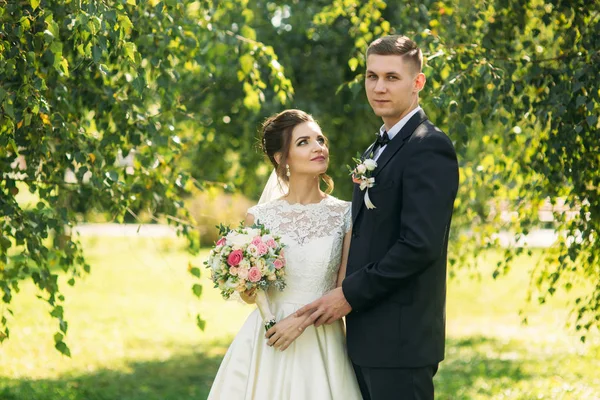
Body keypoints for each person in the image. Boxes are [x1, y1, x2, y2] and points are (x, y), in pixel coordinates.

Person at [279, 35, 460, 399]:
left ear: (417, 82)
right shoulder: (379, 146)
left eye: (392, 77)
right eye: (371, 76)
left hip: (400, 340)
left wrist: (348, 295)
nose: (378, 87)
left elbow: (419, 246)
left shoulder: (429, 147)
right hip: (365, 337)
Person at [207, 109, 362, 399]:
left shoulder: (345, 214)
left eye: (320, 139)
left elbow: (342, 291)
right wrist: (245, 280)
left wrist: (299, 323)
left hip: (322, 338)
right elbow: (250, 293)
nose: (318, 147)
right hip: (269, 338)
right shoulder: (260, 217)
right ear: (282, 158)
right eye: (303, 142)